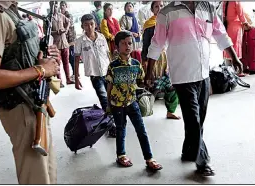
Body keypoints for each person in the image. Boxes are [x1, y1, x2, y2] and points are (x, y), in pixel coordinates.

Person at [145, 1, 243, 176]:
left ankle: (189, 150)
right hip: (182, 75)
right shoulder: (167, 12)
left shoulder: (208, 8)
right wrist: (148, 72)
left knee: (199, 119)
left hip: (203, 73)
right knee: (193, 119)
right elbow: (157, 43)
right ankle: (202, 161)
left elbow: (220, 34)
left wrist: (235, 58)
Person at [0, 1, 61, 184]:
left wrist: (44, 58)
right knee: (37, 179)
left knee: (48, 176)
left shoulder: (11, 10)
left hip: (35, 104)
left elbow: (19, 57)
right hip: (21, 108)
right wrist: (41, 70)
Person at [105, 31, 162, 170]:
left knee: (141, 130)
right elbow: (109, 86)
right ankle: (121, 155)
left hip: (132, 102)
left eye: (129, 43)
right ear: (117, 47)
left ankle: (149, 158)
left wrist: (147, 82)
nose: (127, 46)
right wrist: (108, 105)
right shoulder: (113, 66)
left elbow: (140, 82)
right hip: (117, 105)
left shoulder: (136, 64)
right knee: (120, 130)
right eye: (123, 44)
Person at [74, 14, 116, 137]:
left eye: (91, 24)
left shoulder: (102, 37)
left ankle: (114, 121)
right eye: (86, 25)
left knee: (112, 98)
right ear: (82, 26)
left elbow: (108, 55)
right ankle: (111, 126)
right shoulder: (80, 41)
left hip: (108, 73)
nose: (89, 27)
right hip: (95, 75)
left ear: (95, 25)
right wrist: (76, 77)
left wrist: (114, 69)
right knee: (104, 99)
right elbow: (76, 59)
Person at [142, 1, 180, 120]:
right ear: (152, 10)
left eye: (162, 6)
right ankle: (145, 110)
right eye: (156, 6)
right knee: (153, 86)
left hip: (167, 58)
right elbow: (146, 45)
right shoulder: (149, 25)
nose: (160, 8)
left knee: (172, 86)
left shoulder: (170, 21)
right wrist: (145, 62)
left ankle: (171, 111)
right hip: (154, 59)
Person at [223, 1, 251, 72]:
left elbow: (223, 15)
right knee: (236, 47)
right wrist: (245, 23)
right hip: (236, 27)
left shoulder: (224, 2)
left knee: (228, 46)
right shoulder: (236, 1)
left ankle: (230, 71)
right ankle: (237, 70)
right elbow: (241, 14)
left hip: (227, 26)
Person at [51, 1, 73, 87]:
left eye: (56, 6)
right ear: (50, 7)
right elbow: (47, 32)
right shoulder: (48, 19)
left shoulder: (61, 16)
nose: (55, 8)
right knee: (57, 63)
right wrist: (57, 31)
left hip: (64, 43)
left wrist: (66, 29)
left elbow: (69, 22)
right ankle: (59, 82)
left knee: (66, 62)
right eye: (54, 6)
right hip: (56, 45)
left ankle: (68, 79)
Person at [60, 1, 77, 81]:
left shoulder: (68, 15)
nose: (62, 7)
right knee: (67, 58)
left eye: (63, 5)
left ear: (66, 6)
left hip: (70, 40)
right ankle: (73, 74)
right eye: (61, 5)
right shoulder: (60, 16)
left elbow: (68, 25)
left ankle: (75, 73)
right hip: (64, 41)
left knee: (71, 57)